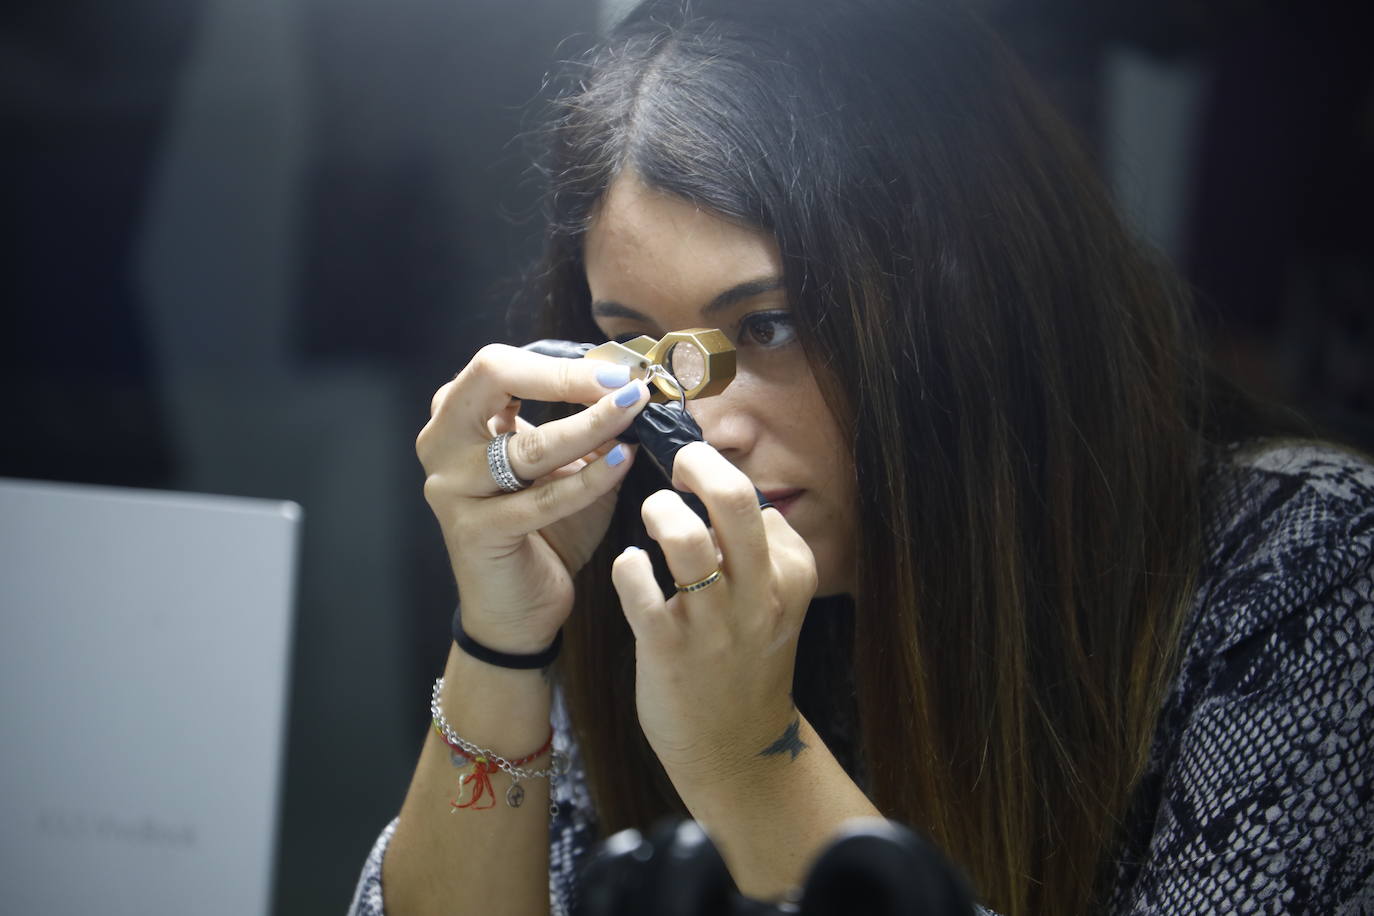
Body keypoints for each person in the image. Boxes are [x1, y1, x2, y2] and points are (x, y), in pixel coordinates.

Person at [349, 1, 1374, 913]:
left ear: (966, 294)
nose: (704, 428)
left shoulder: (1308, 568)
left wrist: (753, 759)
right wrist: (503, 639)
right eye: (638, 349)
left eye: (771, 326)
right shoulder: (653, 573)